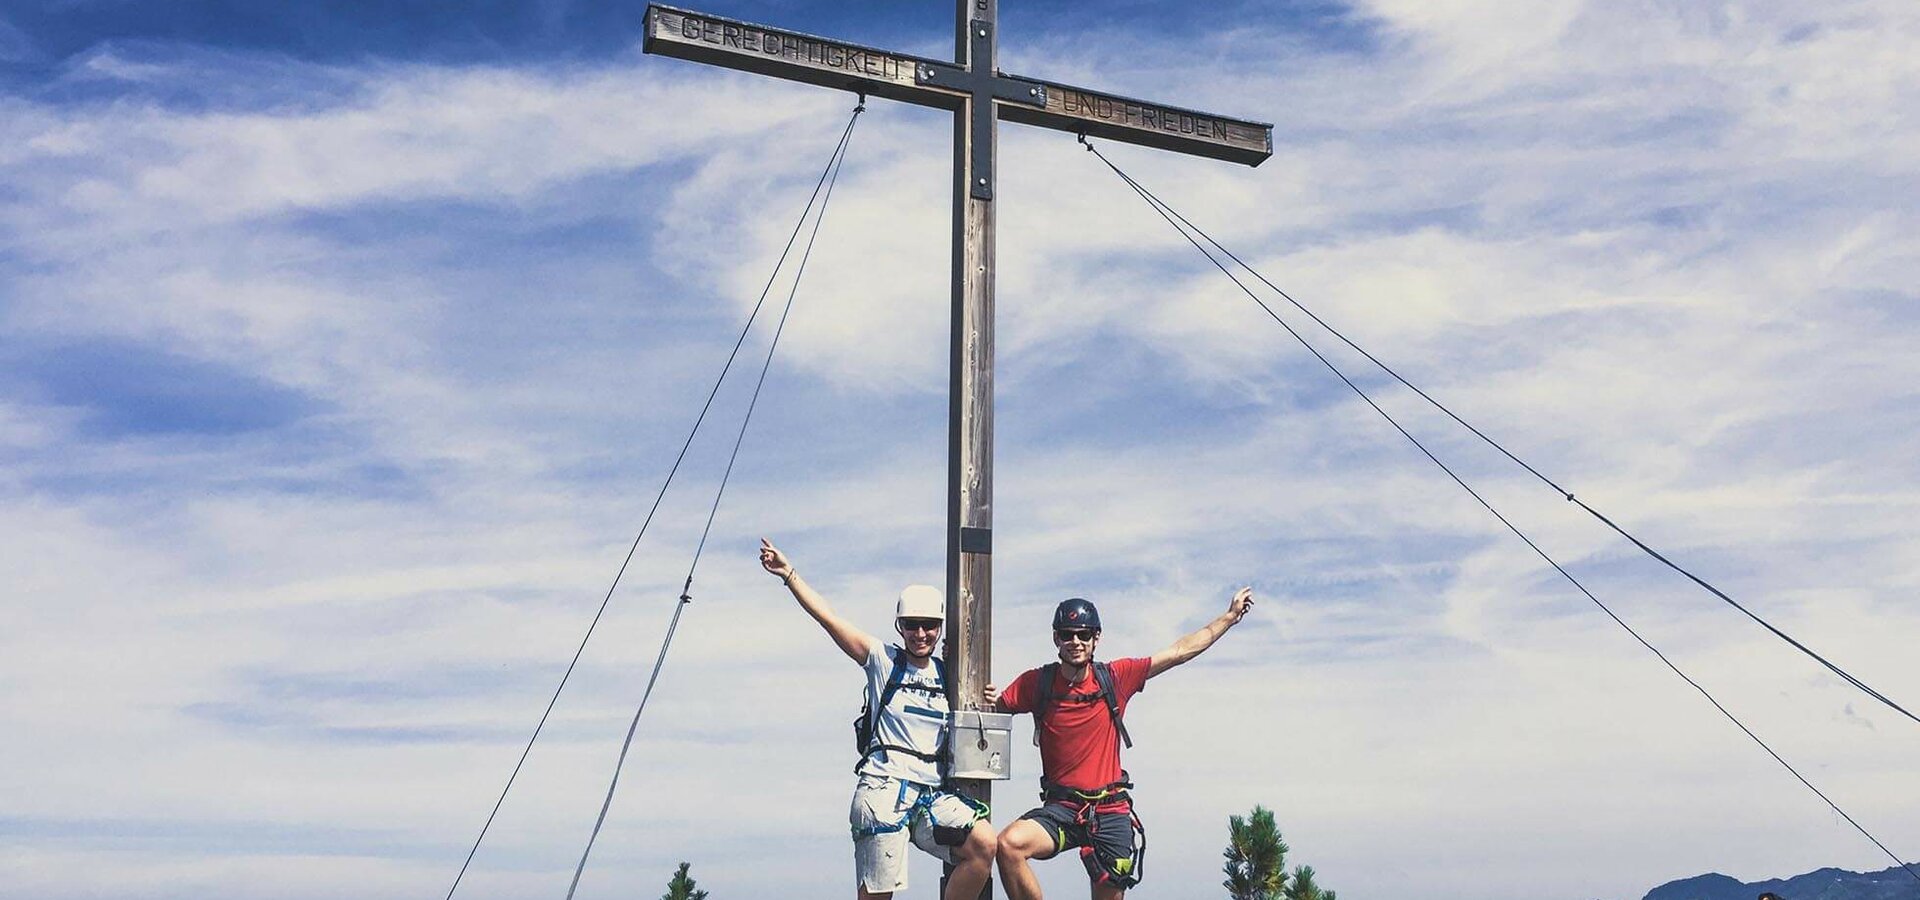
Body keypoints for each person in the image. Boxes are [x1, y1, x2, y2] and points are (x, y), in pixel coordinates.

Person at [760, 539, 998, 900]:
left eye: (929, 626)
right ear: (900, 626)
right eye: (912, 625)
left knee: (984, 845)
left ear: (939, 627)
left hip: (930, 797)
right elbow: (829, 618)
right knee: (878, 894)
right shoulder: (883, 660)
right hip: (883, 790)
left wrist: (996, 697)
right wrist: (789, 574)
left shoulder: (951, 673)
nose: (920, 634)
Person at [986, 588, 1256, 900]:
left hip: (1110, 810)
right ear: (1056, 638)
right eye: (1067, 634)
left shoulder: (1114, 678)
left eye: (1083, 635)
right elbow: (987, 707)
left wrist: (1229, 618)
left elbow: (1179, 651)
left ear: (1096, 638)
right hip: (1062, 809)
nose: (1075, 642)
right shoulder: (1037, 683)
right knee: (1008, 845)